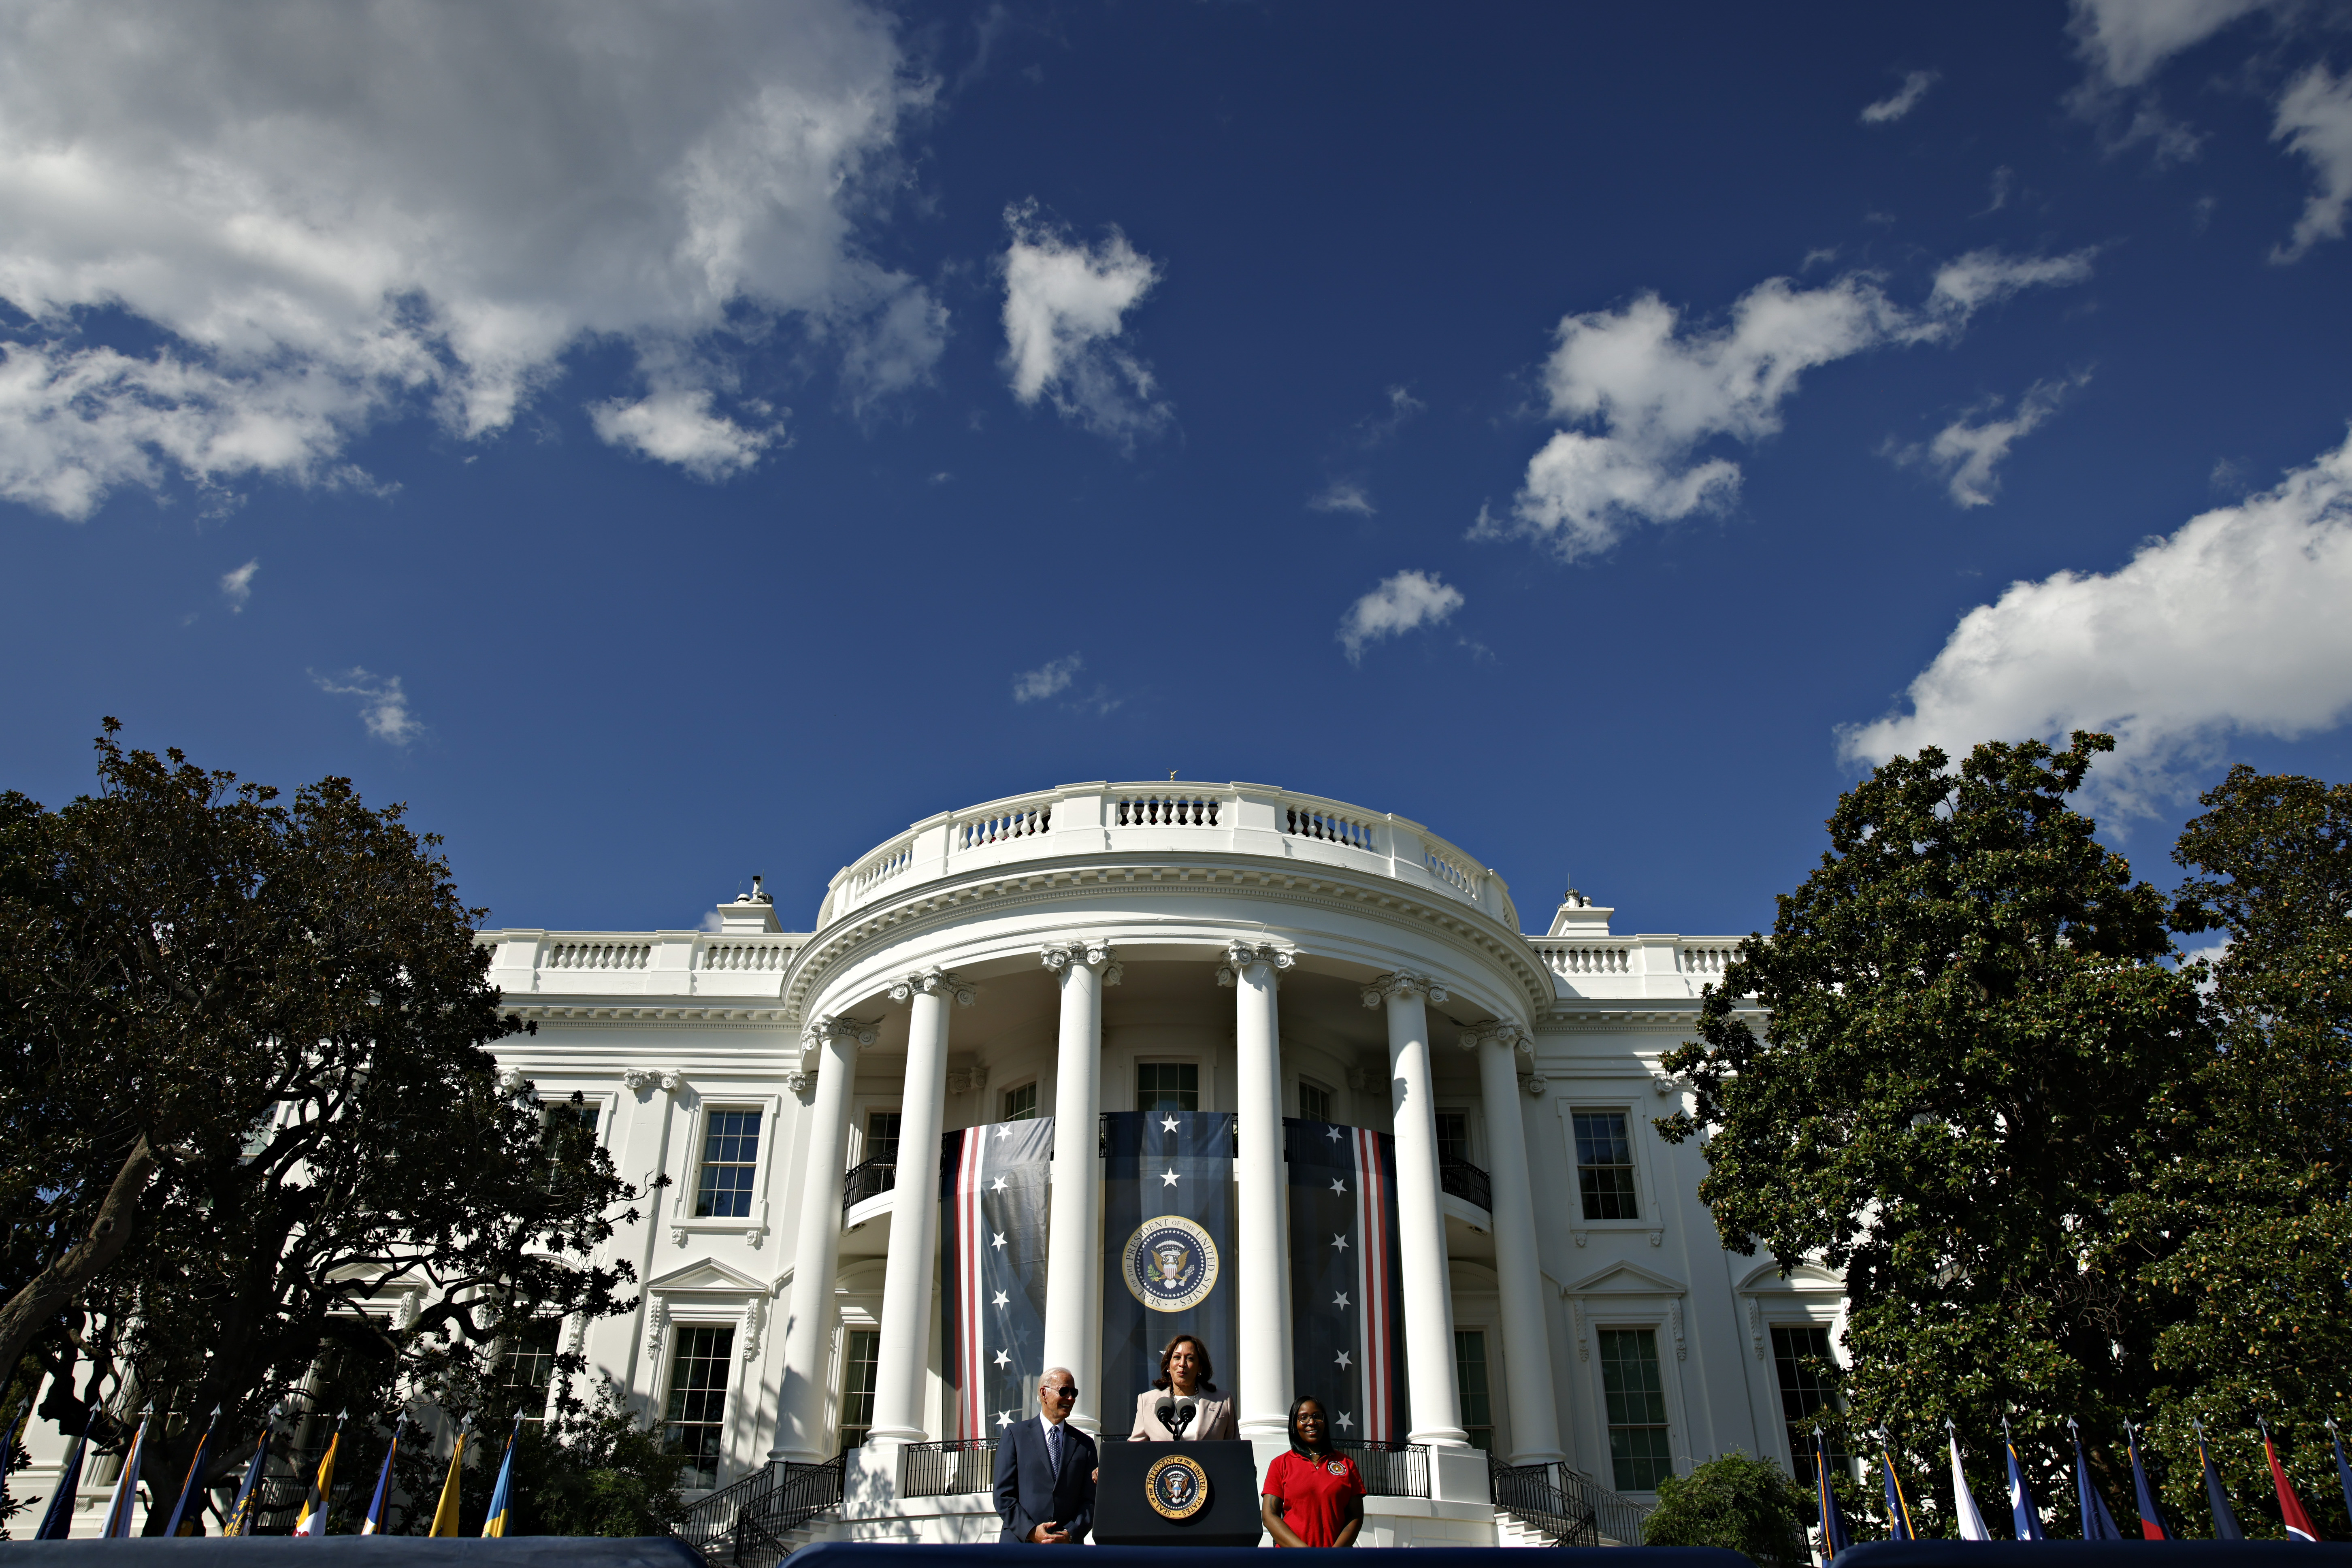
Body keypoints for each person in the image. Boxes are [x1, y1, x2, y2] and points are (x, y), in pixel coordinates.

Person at [993, 1367, 1097, 1545]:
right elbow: (1003, 1495)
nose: (1071, 1398)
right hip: (1021, 1546)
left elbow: (1091, 1500)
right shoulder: (1015, 1435)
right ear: (1044, 1394)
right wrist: (1032, 1531)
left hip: (1066, 1551)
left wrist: (1070, 1533)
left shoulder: (1085, 1444)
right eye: (1064, 1391)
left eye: (1074, 1393)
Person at [1260, 1395, 1365, 1548]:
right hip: (1292, 1561)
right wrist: (1305, 1554)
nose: (1311, 1422)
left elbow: (1356, 1516)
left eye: (1317, 1417)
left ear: (1325, 1421)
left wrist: (1333, 1556)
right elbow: (1269, 1515)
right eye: (1304, 1418)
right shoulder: (1280, 1464)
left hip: (1335, 1562)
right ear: (1294, 1424)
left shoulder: (1346, 1464)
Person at [1127, 1334, 1238, 1441]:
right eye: (1177, 1357)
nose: (1182, 1364)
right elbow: (1136, 1452)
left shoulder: (1223, 1401)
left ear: (1200, 1367)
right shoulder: (1147, 1402)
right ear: (1168, 1366)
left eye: (1190, 1358)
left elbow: (1234, 1450)